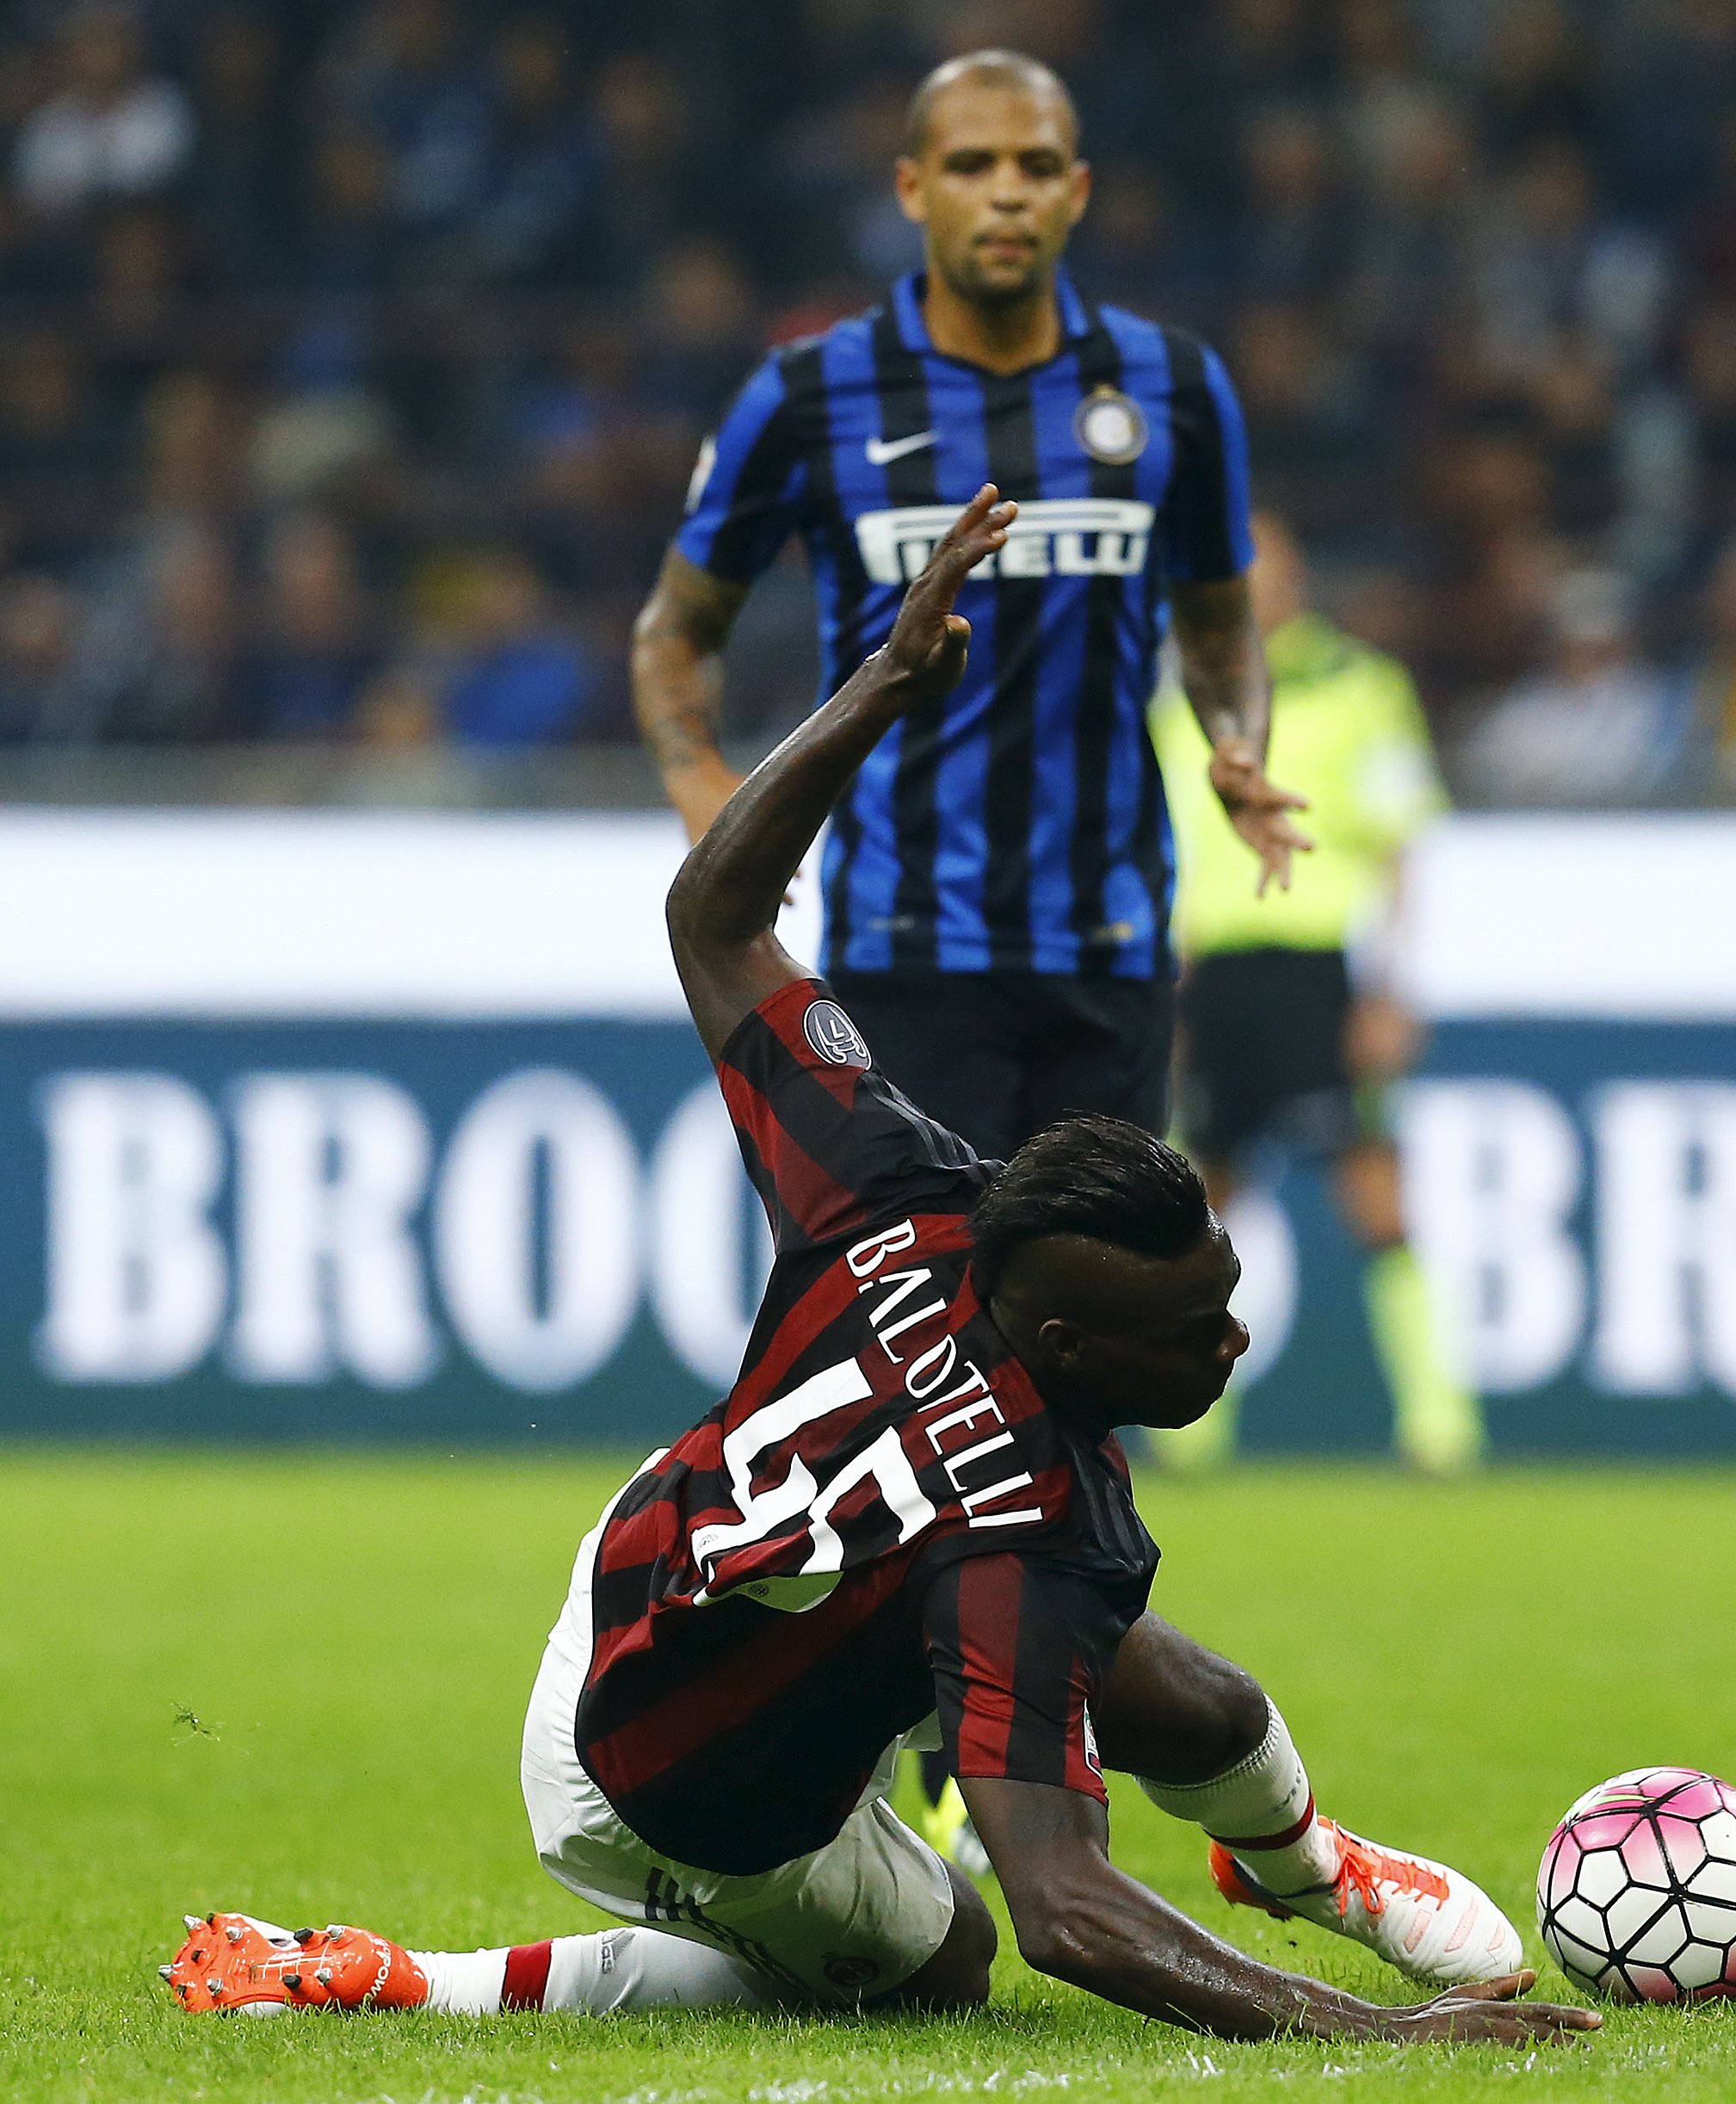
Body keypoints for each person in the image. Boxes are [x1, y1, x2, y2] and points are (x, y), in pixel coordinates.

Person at [161, 496, 1588, 2051]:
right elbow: (1069, 1911)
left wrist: (873, 696)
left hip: (663, 1573)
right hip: (663, 1774)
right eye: (1194, 1323)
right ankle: (405, 1975)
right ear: (1061, 1331)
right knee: (951, 1956)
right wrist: (1375, 2039)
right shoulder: (1024, 1533)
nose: (1237, 1331)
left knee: (1188, 1695)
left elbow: (710, 915)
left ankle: (1308, 1860)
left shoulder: (897, 1183)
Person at [628, 46, 1308, 1856]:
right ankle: (901, 1726)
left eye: (1039, 164)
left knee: (1093, 1365)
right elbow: (673, 642)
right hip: (908, 954)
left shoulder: (1168, 387)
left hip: (1105, 949)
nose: (1008, 192)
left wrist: (1234, 738)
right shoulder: (809, 395)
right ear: (911, 187)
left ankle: (1000, 1723)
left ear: (1079, 191)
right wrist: (724, 825)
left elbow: (1222, 621)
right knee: (918, 1359)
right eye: (975, 164)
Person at [1146, 513, 1481, 1476]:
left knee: (1375, 1194)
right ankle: (1192, 1430)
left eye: (1263, 570)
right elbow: (1163, 849)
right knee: (1195, 1209)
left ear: (1295, 581)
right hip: (1213, 973)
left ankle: (1439, 1420)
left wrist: (1391, 988)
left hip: (1320, 967)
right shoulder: (1178, 701)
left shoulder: (1358, 687)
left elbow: (1401, 842)